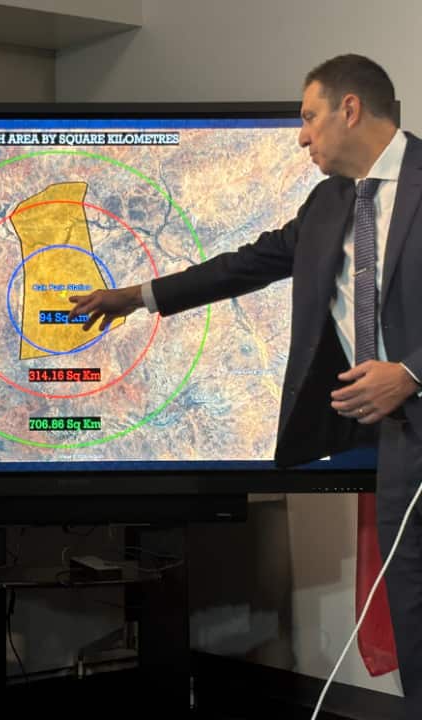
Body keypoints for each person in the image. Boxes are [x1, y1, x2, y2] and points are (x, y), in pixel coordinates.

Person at [69, 54, 422, 712]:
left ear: (351, 109)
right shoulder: (329, 205)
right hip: (403, 449)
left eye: (310, 117)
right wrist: (136, 296)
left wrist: (410, 372)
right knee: (413, 610)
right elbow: (246, 264)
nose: (301, 136)